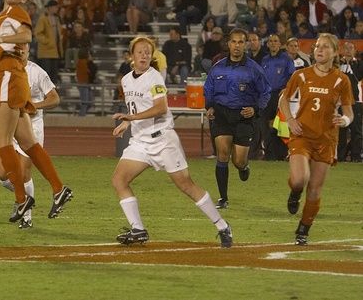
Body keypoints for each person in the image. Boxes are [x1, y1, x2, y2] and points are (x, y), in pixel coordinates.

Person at [111, 36, 233, 248]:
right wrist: (127, 123)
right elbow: (137, 109)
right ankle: (138, 229)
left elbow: (160, 108)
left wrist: (130, 118)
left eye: (148, 52)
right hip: (140, 142)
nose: (144, 55)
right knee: (119, 180)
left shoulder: (154, 78)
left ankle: (222, 225)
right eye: (139, 51)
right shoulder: (126, 80)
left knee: (186, 185)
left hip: (162, 139)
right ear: (131, 55)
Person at [0, 0, 72, 223]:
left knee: (1, 140)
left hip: (9, 78)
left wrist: (4, 43)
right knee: (27, 142)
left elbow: (26, 36)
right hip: (7, 77)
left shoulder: (17, 12)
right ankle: (59, 189)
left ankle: (21, 198)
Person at [278, 33, 354, 245]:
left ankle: (304, 228)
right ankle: (294, 192)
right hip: (302, 136)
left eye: (325, 47)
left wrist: (345, 121)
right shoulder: (301, 75)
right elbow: (284, 99)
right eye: (317, 46)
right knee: (300, 179)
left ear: (335, 52)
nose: (319, 50)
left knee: (315, 188)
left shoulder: (342, 80)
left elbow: (349, 112)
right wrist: (290, 119)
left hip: (326, 140)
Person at [204, 28, 271, 209]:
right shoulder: (217, 67)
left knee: (238, 160)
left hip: (243, 116)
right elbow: (208, 90)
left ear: (246, 45)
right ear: (228, 44)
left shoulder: (254, 69)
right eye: (233, 42)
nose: (236, 46)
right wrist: (209, 106)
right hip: (221, 115)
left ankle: (243, 167)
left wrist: (255, 109)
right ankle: (223, 198)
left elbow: (266, 92)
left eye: (241, 42)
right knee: (223, 154)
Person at [0, 44, 60, 228]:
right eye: (18, 47)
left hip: (32, 128)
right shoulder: (5, 69)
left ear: (29, 50)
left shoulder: (37, 72)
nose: (21, 50)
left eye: (25, 47)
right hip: (9, 127)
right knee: (3, 176)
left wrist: (34, 106)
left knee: (23, 173)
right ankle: (24, 198)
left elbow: (55, 98)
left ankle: (27, 215)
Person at [260, 35, 295, 161]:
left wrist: (286, 89)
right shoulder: (264, 60)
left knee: (279, 125)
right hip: (266, 95)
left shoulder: (286, 59)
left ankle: (280, 153)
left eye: (276, 41)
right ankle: (269, 153)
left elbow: (292, 77)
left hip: (280, 95)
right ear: (267, 44)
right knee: (264, 125)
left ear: (280, 44)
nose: (273, 43)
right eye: (270, 41)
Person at [337, 41, 363, 162]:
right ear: (342, 50)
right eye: (346, 48)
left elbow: (358, 76)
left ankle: (356, 157)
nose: (348, 50)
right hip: (340, 102)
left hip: (356, 101)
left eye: (350, 48)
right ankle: (341, 157)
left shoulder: (359, 64)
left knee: (356, 130)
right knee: (341, 130)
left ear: (354, 51)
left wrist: (350, 64)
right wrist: (342, 63)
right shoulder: (336, 64)